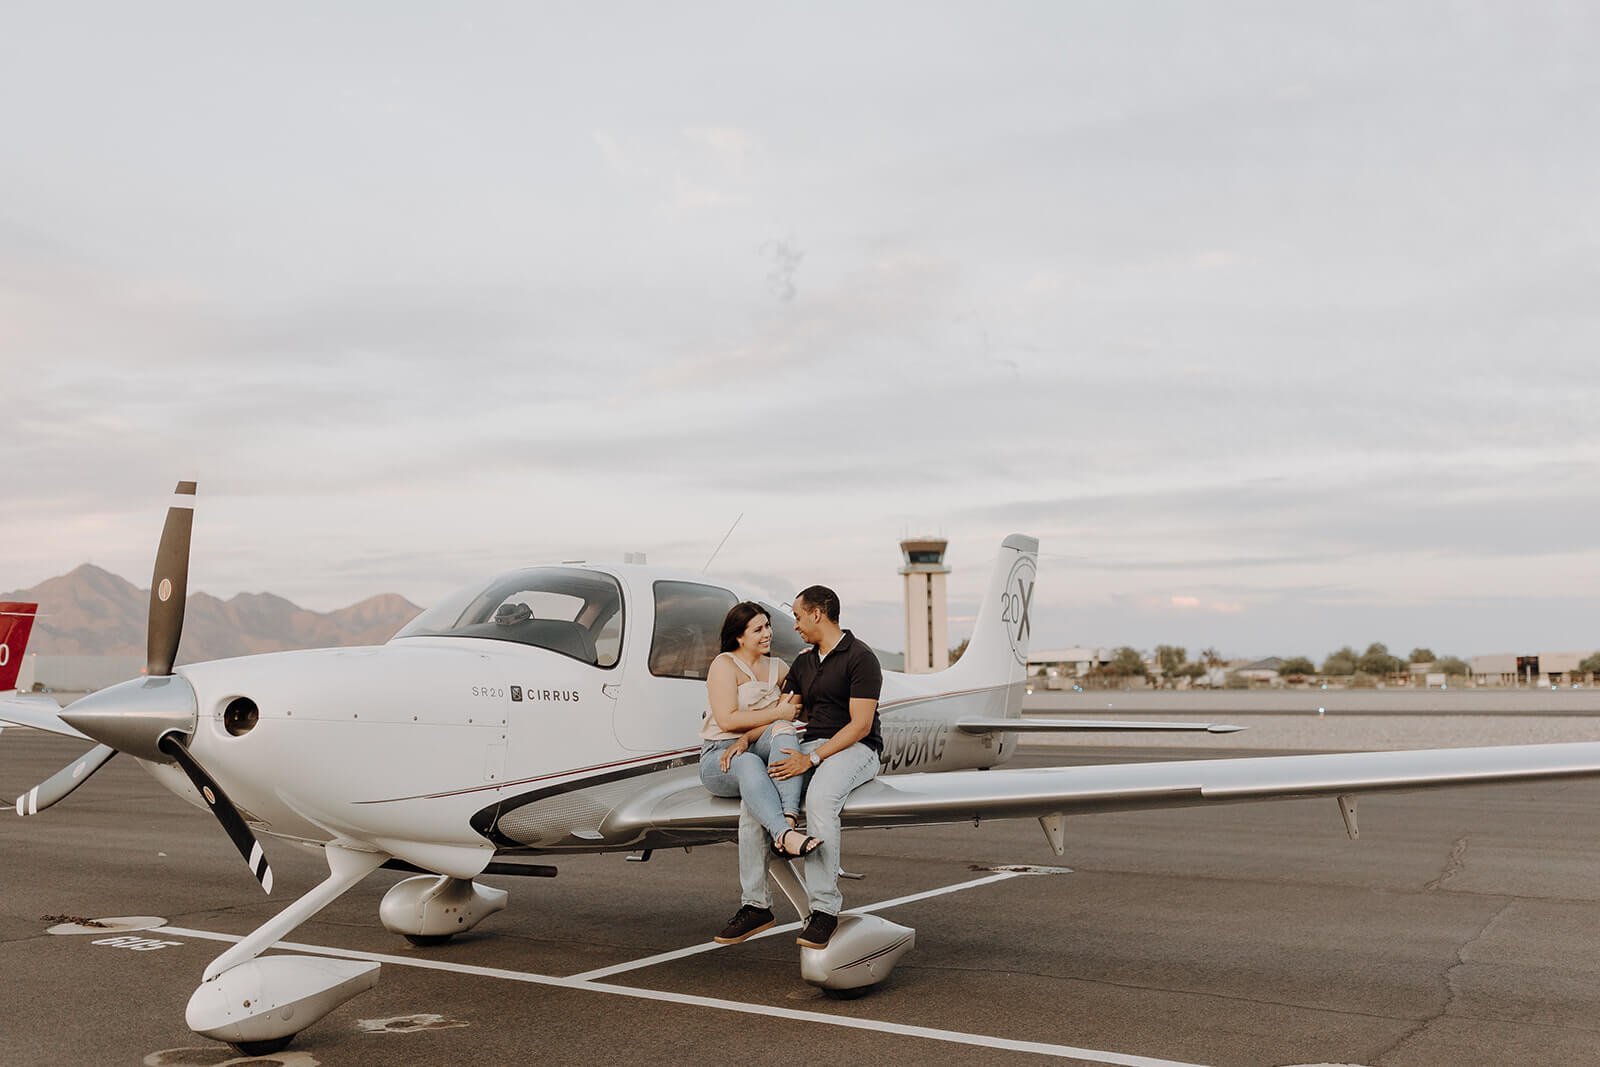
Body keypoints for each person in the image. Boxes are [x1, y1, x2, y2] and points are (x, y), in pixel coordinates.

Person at [717, 585, 883, 950]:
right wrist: (746, 739)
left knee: (823, 799)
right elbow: (788, 712)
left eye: (797, 616)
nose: (793, 625)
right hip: (813, 745)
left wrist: (812, 759)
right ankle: (755, 904)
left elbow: (860, 726)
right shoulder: (805, 663)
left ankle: (824, 910)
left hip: (855, 748)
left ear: (817, 614)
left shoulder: (861, 658)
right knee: (754, 802)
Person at [700, 603, 820, 942]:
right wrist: (778, 710)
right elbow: (727, 721)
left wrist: (809, 667)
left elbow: (797, 710)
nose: (767, 633)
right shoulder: (724, 665)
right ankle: (783, 833)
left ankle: (787, 822)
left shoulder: (778, 668)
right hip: (720, 757)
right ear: (739, 635)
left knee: (783, 731)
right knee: (753, 761)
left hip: (756, 747)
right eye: (757, 629)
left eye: (768, 626)